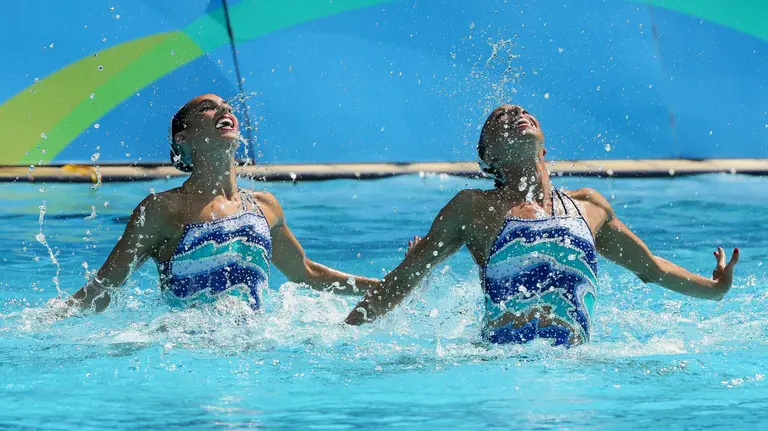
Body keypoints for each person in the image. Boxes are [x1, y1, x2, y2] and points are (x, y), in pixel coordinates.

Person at [345, 104, 739, 347]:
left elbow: (650, 268)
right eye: (500, 118)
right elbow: (406, 278)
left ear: (545, 146)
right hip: (495, 368)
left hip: (574, 369)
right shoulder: (471, 208)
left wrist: (715, 289)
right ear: (489, 157)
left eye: (522, 112)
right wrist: (343, 335)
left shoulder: (589, 207)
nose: (516, 115)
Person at [63, 94, 378, 314]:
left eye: (226, 107)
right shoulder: (162, 210)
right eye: (207, 109)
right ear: (182, 140)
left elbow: (307, 273)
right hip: (185, 353)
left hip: (252, 353)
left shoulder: (265, 207)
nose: (223, 110)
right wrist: (47, 320)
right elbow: (103, 290)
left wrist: (382, 286)